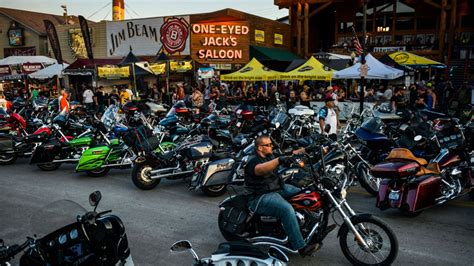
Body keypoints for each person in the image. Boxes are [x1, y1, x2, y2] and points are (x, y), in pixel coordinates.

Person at [244, 135, 327, 257]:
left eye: (271, 144)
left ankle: (305, 226)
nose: (271, 146)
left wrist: (308, 149)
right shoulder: (253, 161)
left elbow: (292, 153)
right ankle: (301, 247)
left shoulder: (269, 155)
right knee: (287, 209)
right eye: (268, 145)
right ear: (260, 148)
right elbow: (261, 169)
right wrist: (279, 160)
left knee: (304, 193)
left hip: (277, 188)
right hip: (259, 196)